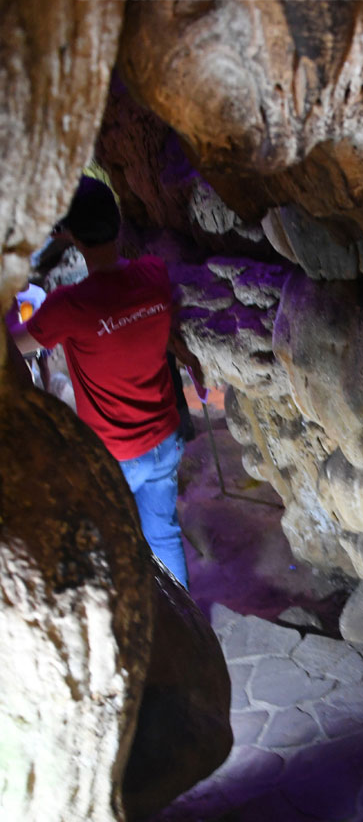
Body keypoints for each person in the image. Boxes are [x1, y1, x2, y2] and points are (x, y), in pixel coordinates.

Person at [8, 176, 202, 588]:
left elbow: (17, 344)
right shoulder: (152, 273)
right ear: (116, 220)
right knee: (164, 535)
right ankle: (188, 627)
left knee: (113, 543)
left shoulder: (69, 306)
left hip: (116, 453)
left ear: (70, 235)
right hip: (165, 438)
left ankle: (135, 626)